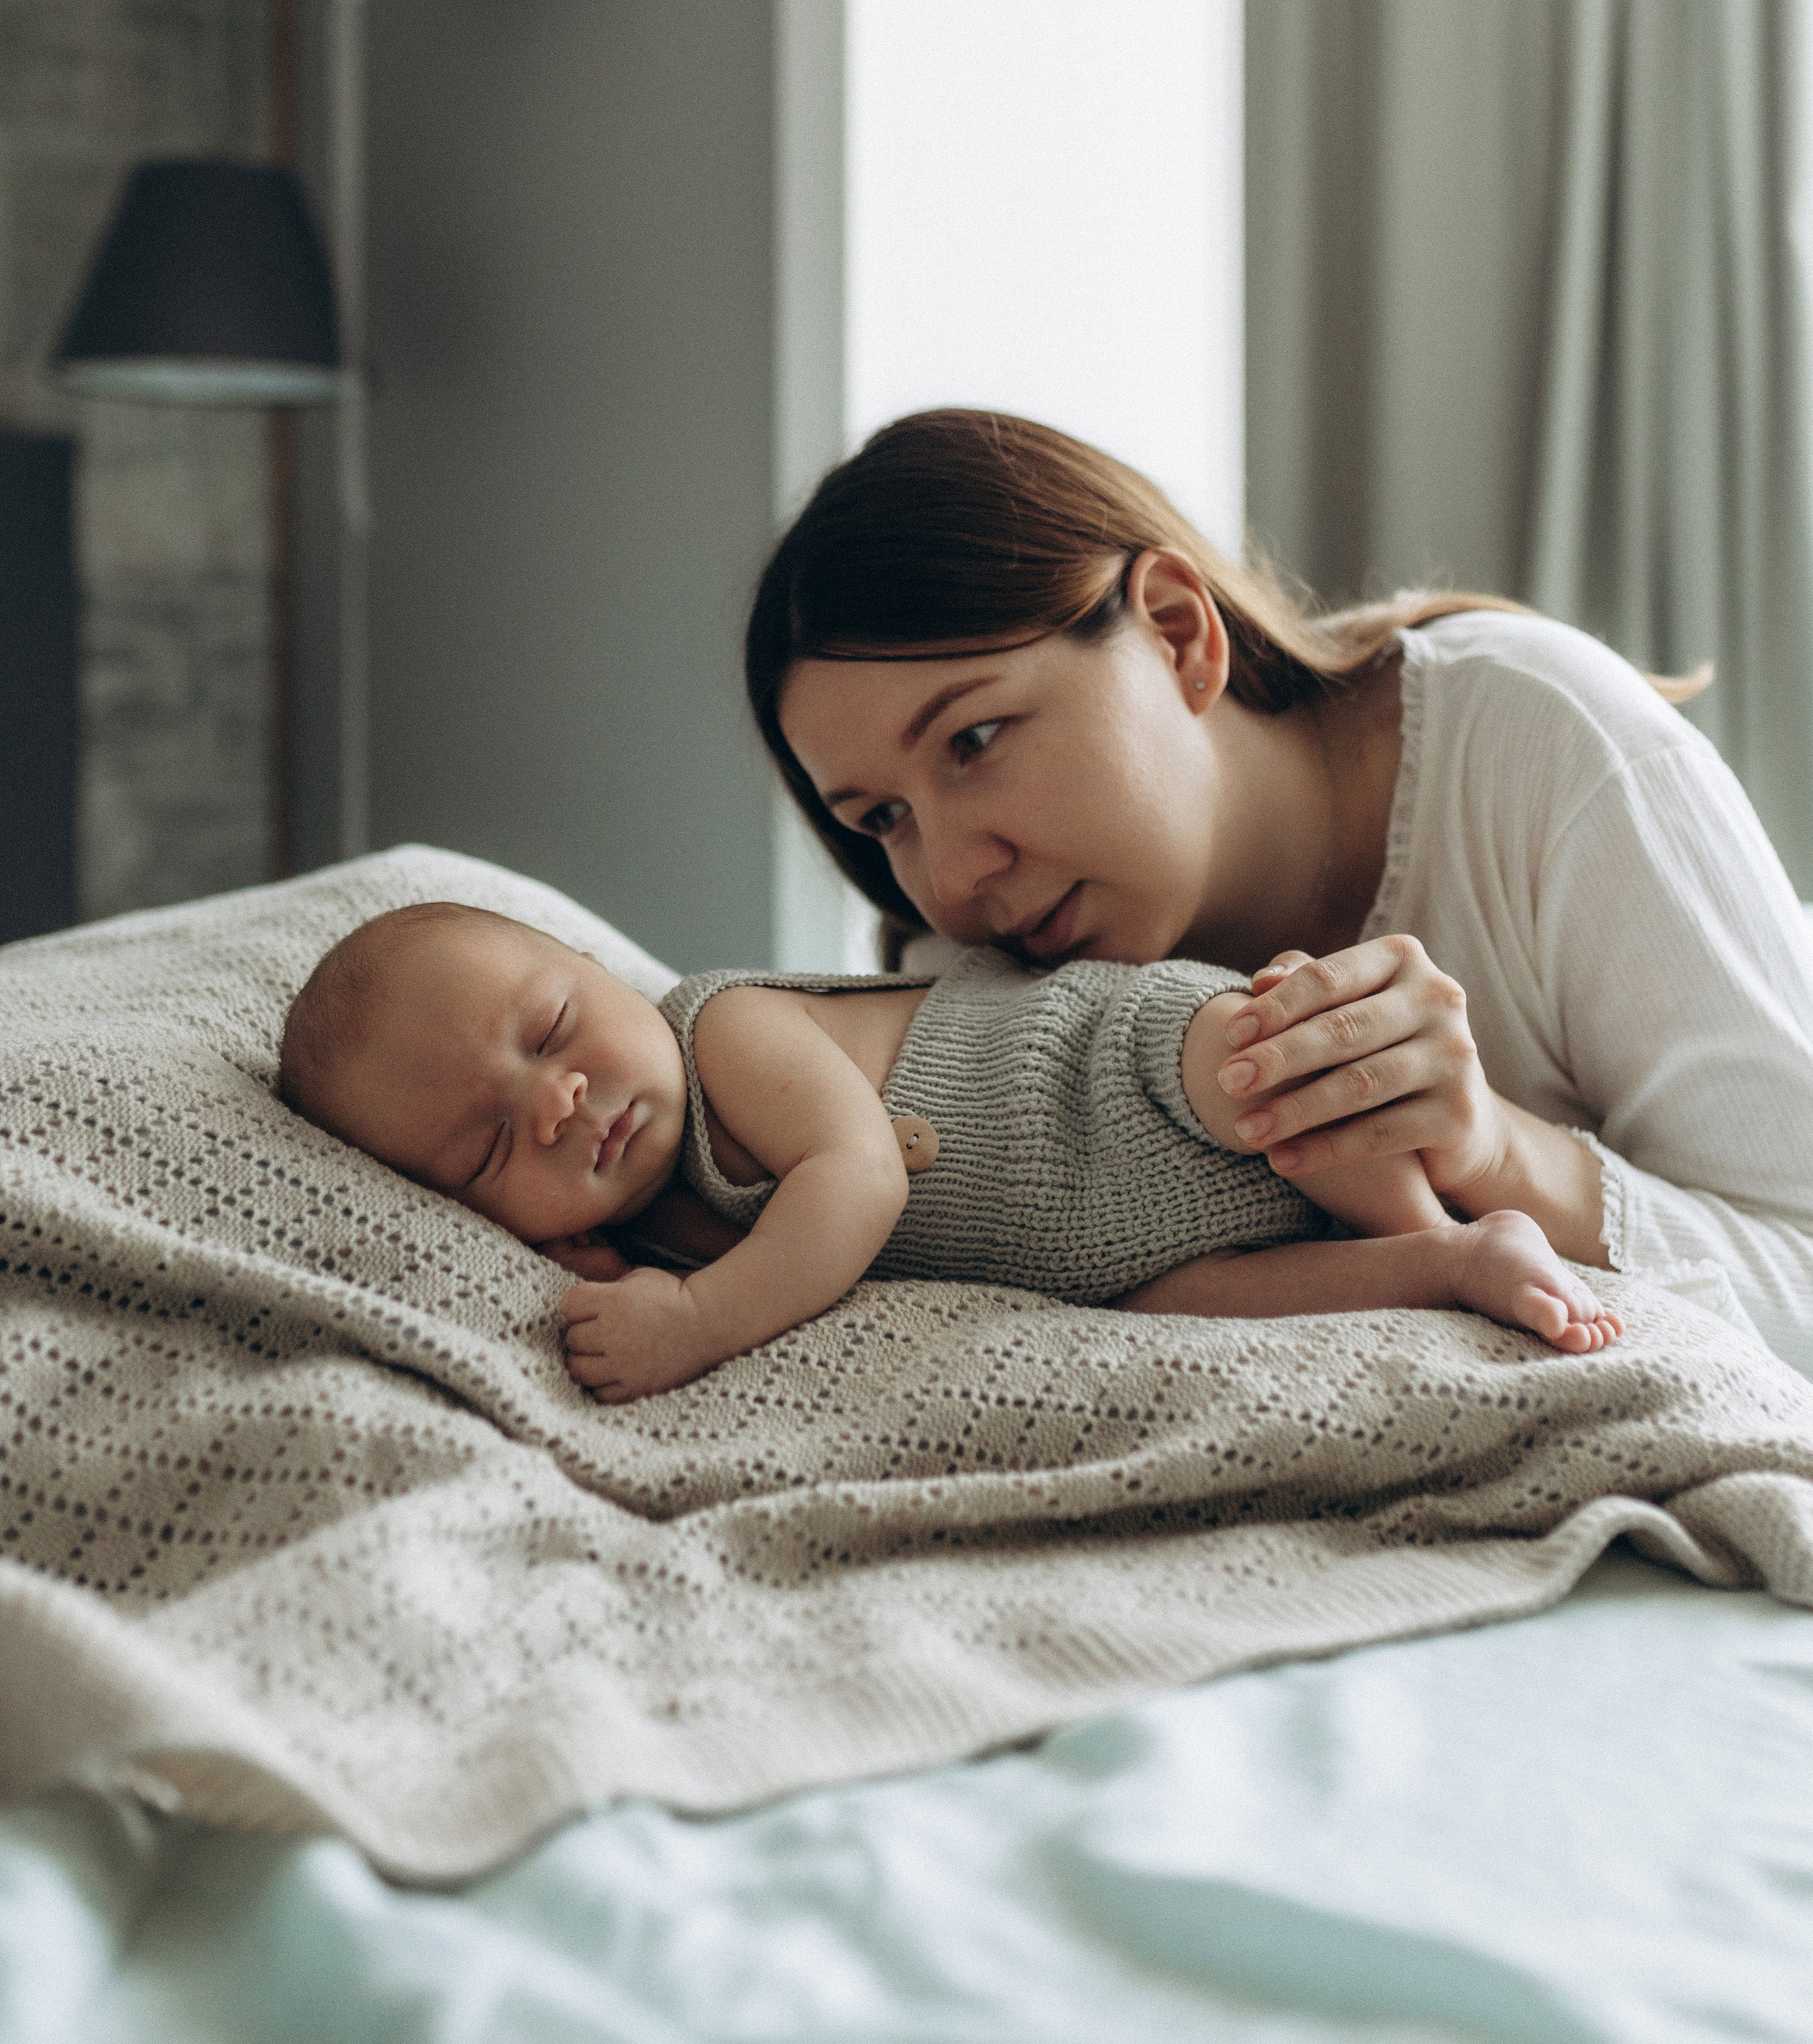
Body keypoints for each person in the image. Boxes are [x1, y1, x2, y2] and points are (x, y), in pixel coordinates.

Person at [745, 408, 1813, 1381]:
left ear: (1176, 633)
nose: (951, 881)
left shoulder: (1547, 748)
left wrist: (1496, 1154)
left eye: (974, 741)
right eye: (882, 819)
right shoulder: (965, 987)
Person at [278, 901, 1620, 1404]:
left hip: (1113, 1076)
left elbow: (852, 1183)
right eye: (484, 1150)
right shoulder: (645, 1218)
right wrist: (616, 1256)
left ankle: (1419, 1212)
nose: (560, 1106)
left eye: (554, 1030)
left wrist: (695, 1318)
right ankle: (1450, 1266)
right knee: (1194, 1311)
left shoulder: (727, 1033)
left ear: (597, 966)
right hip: (1104, 1253)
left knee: (1271, 1078)